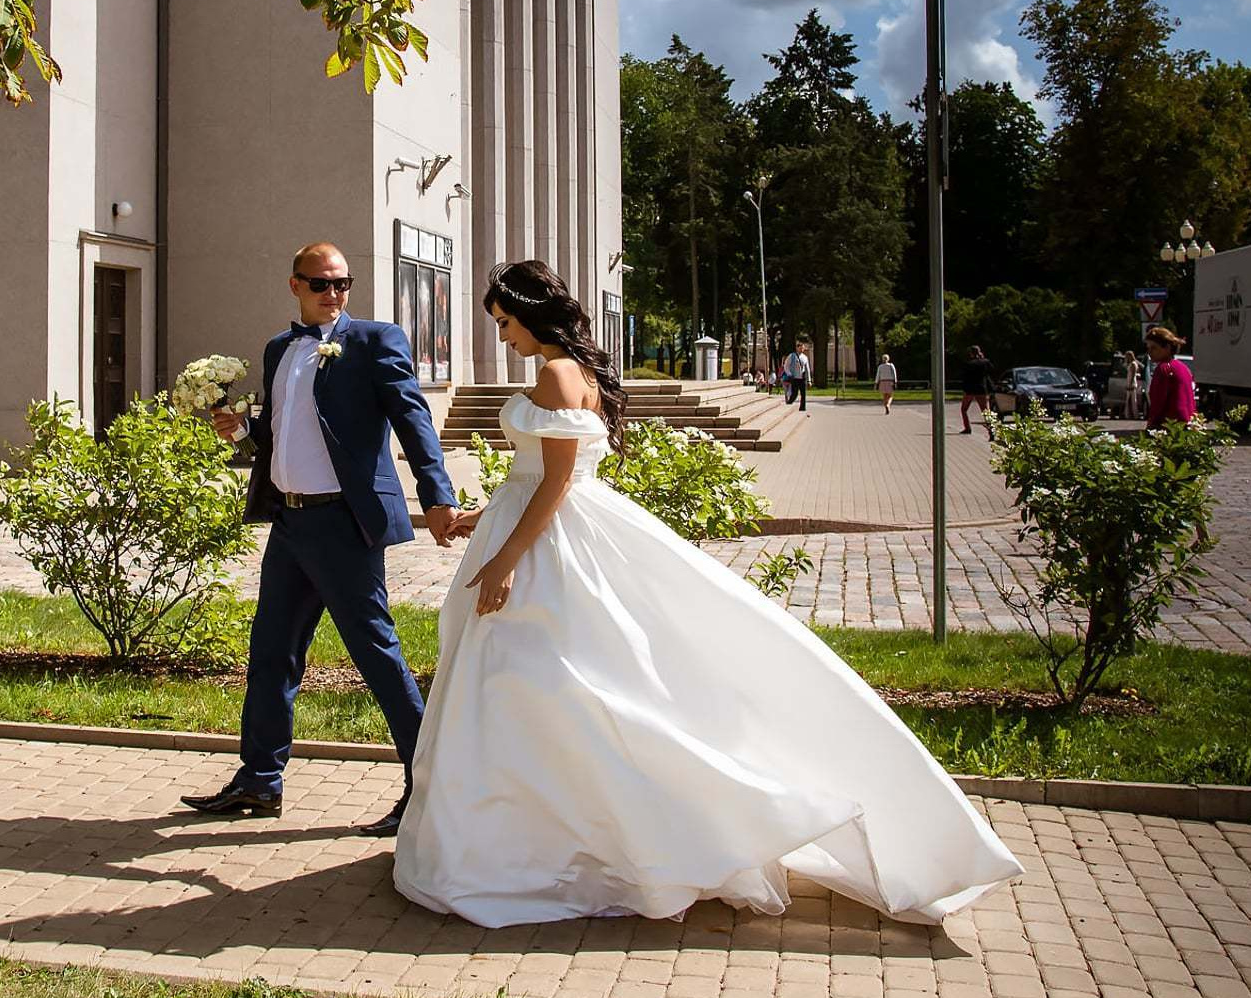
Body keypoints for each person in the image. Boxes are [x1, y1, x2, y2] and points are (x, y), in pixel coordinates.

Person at [394, 259, 1022, 927]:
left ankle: (542, 846)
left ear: (532, 314)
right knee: (558, 688)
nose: (503, 336)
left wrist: (504, 560)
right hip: (557, 529)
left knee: (543, 683)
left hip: (550, 546)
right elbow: (536, 480)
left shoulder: (555, 374)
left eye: (505, 322)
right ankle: (556, 835)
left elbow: (554, 482)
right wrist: (482, 519)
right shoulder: (577, 371)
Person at [180, 242, 465, 838]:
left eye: (342, 283)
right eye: (320, 284)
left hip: (343, 525)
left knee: (375, 654)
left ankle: (431, 787)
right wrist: (244, 428)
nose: (333, 294)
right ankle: (260, 779)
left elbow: (412, 418)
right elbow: (286, 428)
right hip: (289, 522)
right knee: (272, 652)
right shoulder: (279, 349)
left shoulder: (375, 341)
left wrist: (436, 495)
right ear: (295, 286)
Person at [1143, 326, 1198, 428]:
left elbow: (1158, 402)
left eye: (1154, 348)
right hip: (1188, 424)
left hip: (1170, 426)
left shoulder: (1163, 369)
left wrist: (1151, 425)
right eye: (1148, 348)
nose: (1149, 352)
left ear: (1167, 348)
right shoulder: (1184, 368)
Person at [958, 345, 995, 434]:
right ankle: (991, 430)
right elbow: (991, 370)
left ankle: (967, 428)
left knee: (964, 409)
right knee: (985, 411)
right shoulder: (985, 362)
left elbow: (964, 377)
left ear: (971, 353)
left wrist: (964, 388)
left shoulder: (969, 364)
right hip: (981, 389)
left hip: (970, 390)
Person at [785, 341, 812, 410]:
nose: (801, 349)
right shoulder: (792, 356)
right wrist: (789, 374)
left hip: (802, 378)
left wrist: (809, 380)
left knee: (803, 394)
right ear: (797, 348)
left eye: (803, 348)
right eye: (800, 348)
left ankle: (802, 408)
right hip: (794, 378)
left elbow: (807, 369)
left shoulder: (805, 357)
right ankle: (789, 403)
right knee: (795, 393)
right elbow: (786, 366)